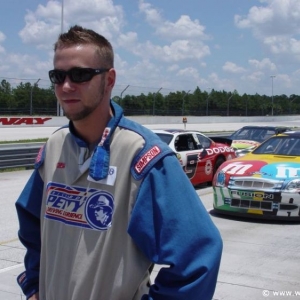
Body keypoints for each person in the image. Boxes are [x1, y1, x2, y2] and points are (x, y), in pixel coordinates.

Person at [15, 25, 223, 300]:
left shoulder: (143, 156)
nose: (66, 86)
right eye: (58, 76)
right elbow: (31, 228)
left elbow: (198, 256)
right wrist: (33, 287)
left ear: (109, 79)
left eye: (80, 75)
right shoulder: (54, 147)